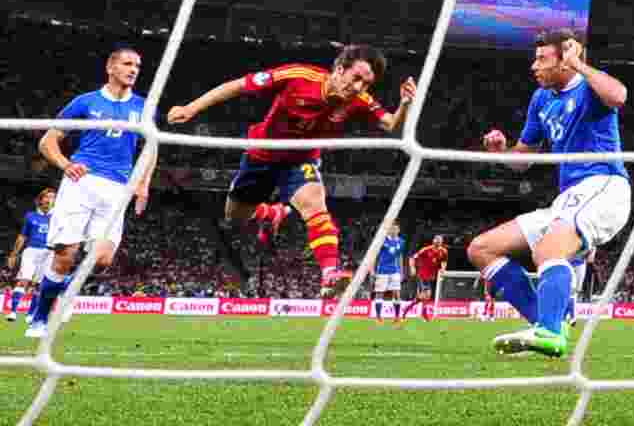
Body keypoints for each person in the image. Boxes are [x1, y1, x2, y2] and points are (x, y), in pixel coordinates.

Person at [167, 45, 416, 297]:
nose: (360, 87)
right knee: (234, 216)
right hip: (262, 154)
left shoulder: (359, 101)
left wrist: (405, 104)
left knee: (315, 206)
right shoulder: (299, 76)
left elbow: (392, 125)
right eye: (357, 78)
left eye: (367, 83)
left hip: (301, 159)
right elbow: (239, 85)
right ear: (340, 70)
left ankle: (330, 274)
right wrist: (191, 108)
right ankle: (270, 213)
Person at [468, 29, 631, 357]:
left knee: (548, 250)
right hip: (570, 196)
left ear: (566, 59)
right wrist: (502, 152)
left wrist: (580, 65)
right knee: (481, 249)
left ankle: (550, 329)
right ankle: (550, 321)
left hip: (604, 186)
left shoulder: (588, 87)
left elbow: (619, 96)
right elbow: (522, 162)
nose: (534, 66)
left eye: (542, 59)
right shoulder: (541, 100)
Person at [28, 47, 157, 338]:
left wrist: (143, 183)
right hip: (82, 183)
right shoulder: (85, 103)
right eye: (127, 63)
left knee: (101, 261)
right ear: (110, 68)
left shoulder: (143, 107)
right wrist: (65, 164)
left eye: (137, 65)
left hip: (117, 188)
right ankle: (39, 316)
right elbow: (48, 141)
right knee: (66, 254)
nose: (134, 69)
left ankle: (63, 292)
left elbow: (151, 147)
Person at [6, 188, 55, 323]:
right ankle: (13, 312)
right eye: (47, 197)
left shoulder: (57, 217)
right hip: (31, 251)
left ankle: (30, 314)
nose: (50, 199)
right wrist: (13, 255)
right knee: (23, 280)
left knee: (38, 285)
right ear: (40, 200)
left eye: (53, 197)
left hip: (48, 252)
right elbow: (22, 236)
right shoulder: (30, 216)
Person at [402, 235, 448, 321]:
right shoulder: (425, 250)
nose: (438, 241)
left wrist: (443, 269)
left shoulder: (443, 251)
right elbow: (412, 258)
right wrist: (412, 268)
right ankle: (424, 314)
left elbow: (444, 261)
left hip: (431, 277)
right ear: (433, 240)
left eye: (440, 240)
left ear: (442, 242)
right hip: (422, 275)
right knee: (426, 294)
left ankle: (406, 309)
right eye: (436, 239)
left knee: (424, 297)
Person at [368, 222, 405, 325]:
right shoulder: (382, 240)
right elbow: (374, 254)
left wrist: (401, 272)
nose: (393, 230)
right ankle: (379, 317)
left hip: (395, 271)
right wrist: (372, 270)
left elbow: (400, 257)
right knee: (379, 293)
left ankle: (397, 317)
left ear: (398, 230)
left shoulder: (401, 242)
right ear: (388, 230)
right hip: (382, 271)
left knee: (397, 294)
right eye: (392, 229)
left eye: (395, 229)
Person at [566, 247, 594, 327]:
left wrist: (589, 252)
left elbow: (590, 259)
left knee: (575, 291)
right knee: (571, 291)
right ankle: (572, 317)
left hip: (580, 264)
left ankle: (571, 316)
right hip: (569, 265)